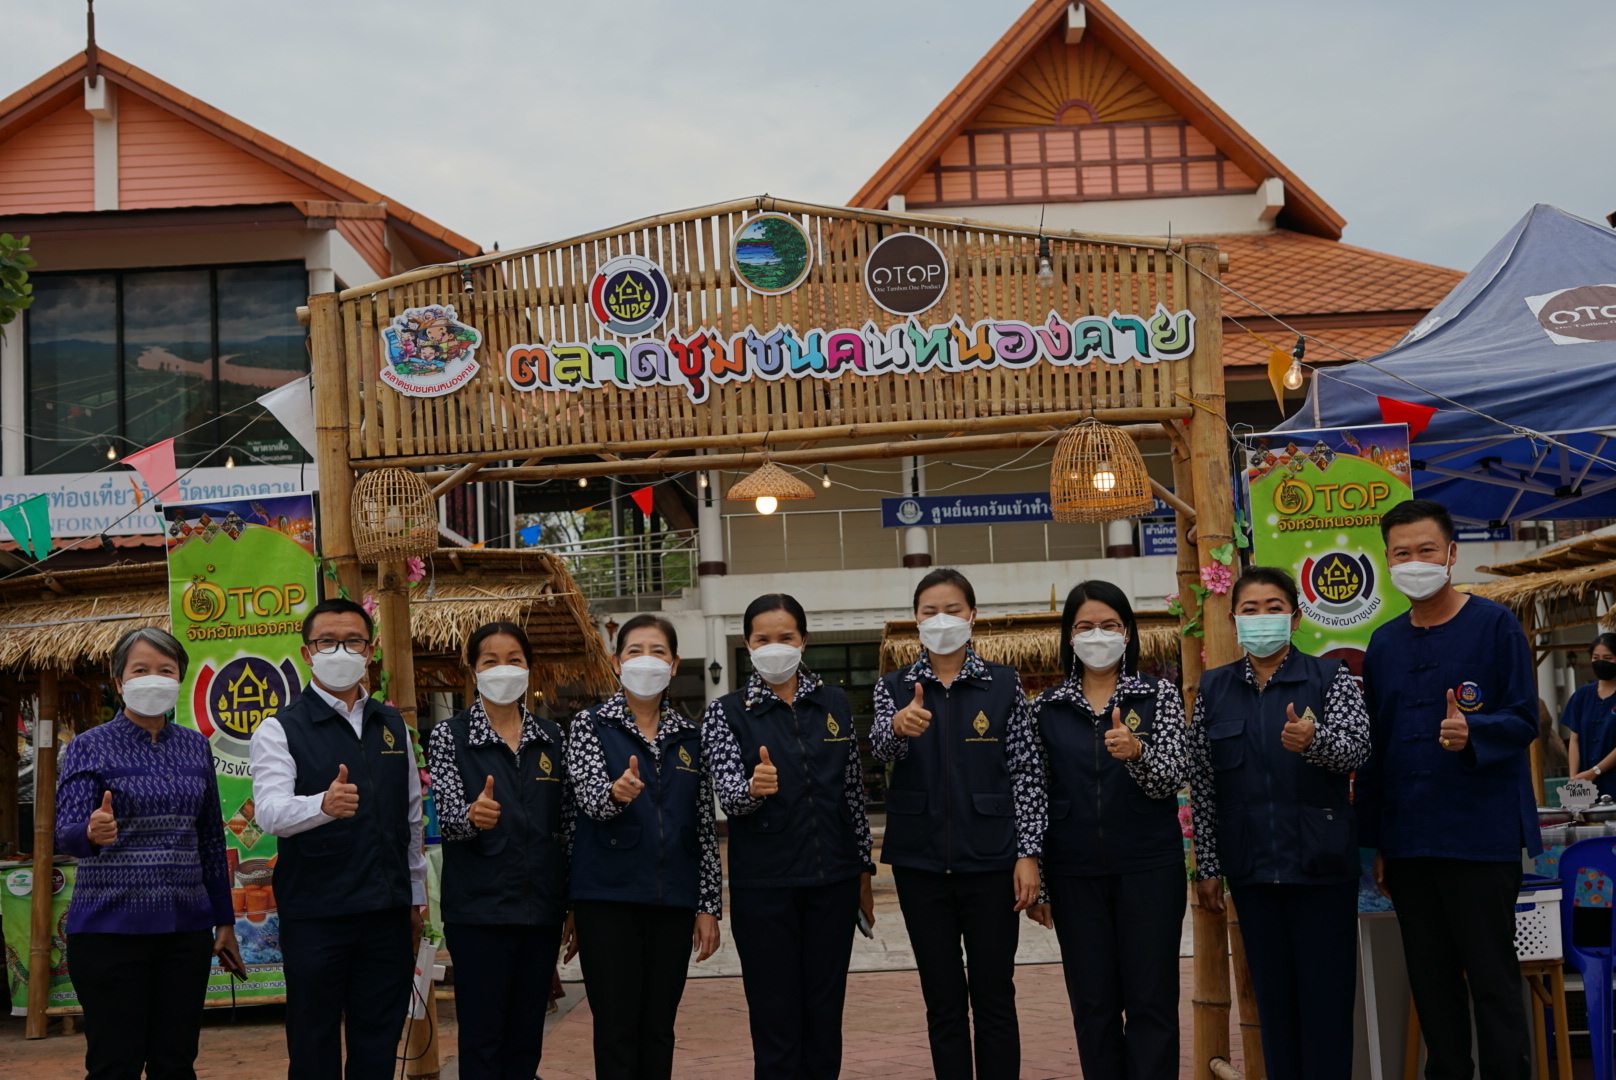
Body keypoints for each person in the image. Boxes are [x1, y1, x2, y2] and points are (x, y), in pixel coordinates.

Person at [1358, 499, 1540, 1080]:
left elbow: (1524, 719)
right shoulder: (1383, 645)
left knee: (1492, 981)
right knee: (1431, 987)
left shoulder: (1495, 626)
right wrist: (1377, 844)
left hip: (1479, 840)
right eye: (1401, 554)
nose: (1415, 562)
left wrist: (1474, 731)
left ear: (1452, 554)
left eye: (1426, 550)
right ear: (1387, 563)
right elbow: (1377, 751)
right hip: (1409, 846)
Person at [1187, 567, 1371, 1080]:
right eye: (1251, 609)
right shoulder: (1215, 687)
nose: (1263, 618)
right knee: (1274, 1008)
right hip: (1252, 870)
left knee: (1327, 1005)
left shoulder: (1329, 677)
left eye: (1274, 607)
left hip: (1321, 867)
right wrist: (1206, 865)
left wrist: (1316, 741)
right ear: (1234, 619)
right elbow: (1203, 781)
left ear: (1295, 616)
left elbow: (1359, 748)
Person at [871, 568, 1045, 1080]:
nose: (941, 619)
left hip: (992, 859)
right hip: (919, 862)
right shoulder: (894, 686)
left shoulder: (1005, 684)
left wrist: (1028, 853)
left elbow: (1027, 771)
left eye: (952, 609)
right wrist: (899, 728)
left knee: (995, 994)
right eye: (929, 611)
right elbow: (881, 749)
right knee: (942, 999)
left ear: (973, 615)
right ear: (915, 621)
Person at [54, 626, 247, 1080]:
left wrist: (223, 921)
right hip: (109, 933)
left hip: (184, 934)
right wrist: (90, 831)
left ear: (179, 679)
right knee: (114, 1064)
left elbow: (211, 840)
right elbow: (65, 834)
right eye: (140, 670)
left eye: (166, 670)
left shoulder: (195, 746)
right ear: (119, 681)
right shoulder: (89, 745)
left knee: (175, 1063)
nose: (153, 679)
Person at [701, 593, 877, 1080]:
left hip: (833, 882)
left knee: (824, 1018)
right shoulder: (725, 713)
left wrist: (863, 869)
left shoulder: (833, 702)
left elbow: (852, 795)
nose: (774, 647)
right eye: (763, 639)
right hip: (766, 888)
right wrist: (753, 789)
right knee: (776, 1019)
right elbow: (729, 796)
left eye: (786, 637)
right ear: (747, 644)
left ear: (804, 641)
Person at [251, 597, 427, 1080]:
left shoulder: (392, 724)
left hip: (385, 912)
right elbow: (268, 812)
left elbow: (410, 818)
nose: (340, 650)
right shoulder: (279, 728)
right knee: (314, 1040)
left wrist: (415, 897)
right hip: (317, 914)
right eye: (327, 641)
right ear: (307, 653)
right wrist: (320, 807)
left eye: (352, 641)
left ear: (369, 650)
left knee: (378, 1039)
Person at [1030, 580, 1188, 1080]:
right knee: (1093, 1007)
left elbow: (1174, 776)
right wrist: (1043, 879)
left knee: (1151, 1002)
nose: (1097, 635)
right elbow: (1034, 795)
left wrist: (1138, 754)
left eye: (1109, 625)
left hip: (1150, 869)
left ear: (1128, 632)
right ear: (1069, 636)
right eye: (1085, 626)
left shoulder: (1158, 695)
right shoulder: (1045, 708)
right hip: (1075, 874)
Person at [568, 613, 721, 1080]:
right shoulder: (588, 726)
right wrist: (615, 794)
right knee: (616, 1029)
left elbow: (702, 828)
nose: (646, 661)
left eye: (658, 652)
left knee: (659, 1026)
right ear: (617, 662)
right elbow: (588, 801)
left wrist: (708, 904)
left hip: (672, 899)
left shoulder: (691, 736)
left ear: (674, 665)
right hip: (607, 898)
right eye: (635, 651)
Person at [426, 621, 574, 1080]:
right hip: (479, 912)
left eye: (514, 659)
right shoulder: (449, 736)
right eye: (491, 661)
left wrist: (569, 901)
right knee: (483, 1037)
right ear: (473, 672)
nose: (503, 669)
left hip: (541, 909)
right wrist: (471, 817)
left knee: (527, 1034)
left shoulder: (552, 737)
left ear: (529, 669)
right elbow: (447, 820)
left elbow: (567, 825)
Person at [1563, 633, 1616, 796]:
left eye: (1608, 657)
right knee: (1582, 821)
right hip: (1585, 785)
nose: (1601, 662)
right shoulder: (1581, 695)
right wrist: (1574, 779)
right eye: (1596, 657)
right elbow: (1574, 739)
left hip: (1611, 783)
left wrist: (1595, 772)